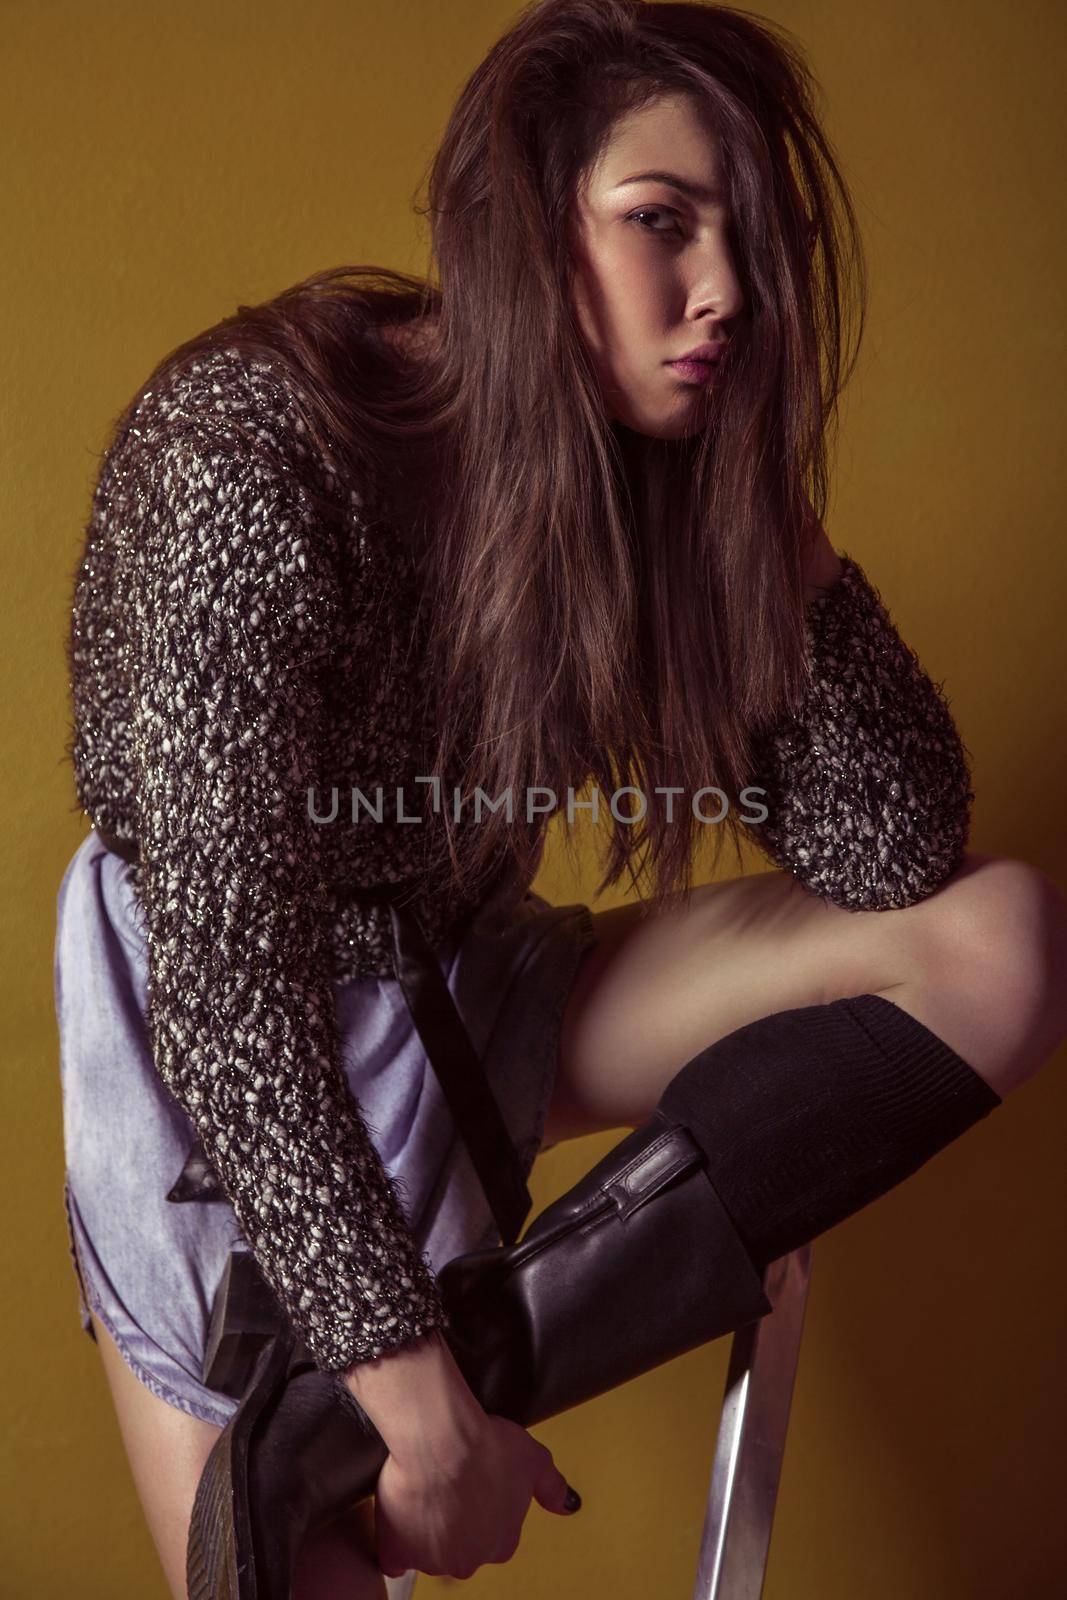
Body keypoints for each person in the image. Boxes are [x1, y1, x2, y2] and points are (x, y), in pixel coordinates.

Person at [55, 2, 1067, 1596]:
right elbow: (229, 995)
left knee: (995, 939)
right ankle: (347, 1405)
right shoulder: (247, 454)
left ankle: (469, 1349)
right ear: (528, 228)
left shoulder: (636, 482)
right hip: (215, 1072)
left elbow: (890, 849)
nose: (724, 294)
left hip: (468, 983)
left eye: (751, 244)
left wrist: (760, 513)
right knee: (291, 1567)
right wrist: (424, 1439)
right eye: (661, 223)